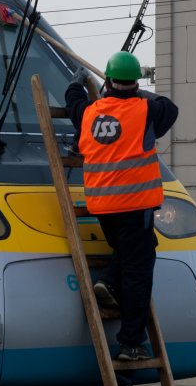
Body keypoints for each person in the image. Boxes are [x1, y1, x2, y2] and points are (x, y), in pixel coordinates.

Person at [65, 51, 178, 361]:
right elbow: (170, 108)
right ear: (135, 83)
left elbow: (73, 103)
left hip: (102, 206)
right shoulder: (146, 111)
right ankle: (131, 342)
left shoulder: (90, 113)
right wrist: (137, 92)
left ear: (110, 81)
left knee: (132, 252)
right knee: (139, 270)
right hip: (135, 205)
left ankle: (108, 280)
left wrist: (78, 84)